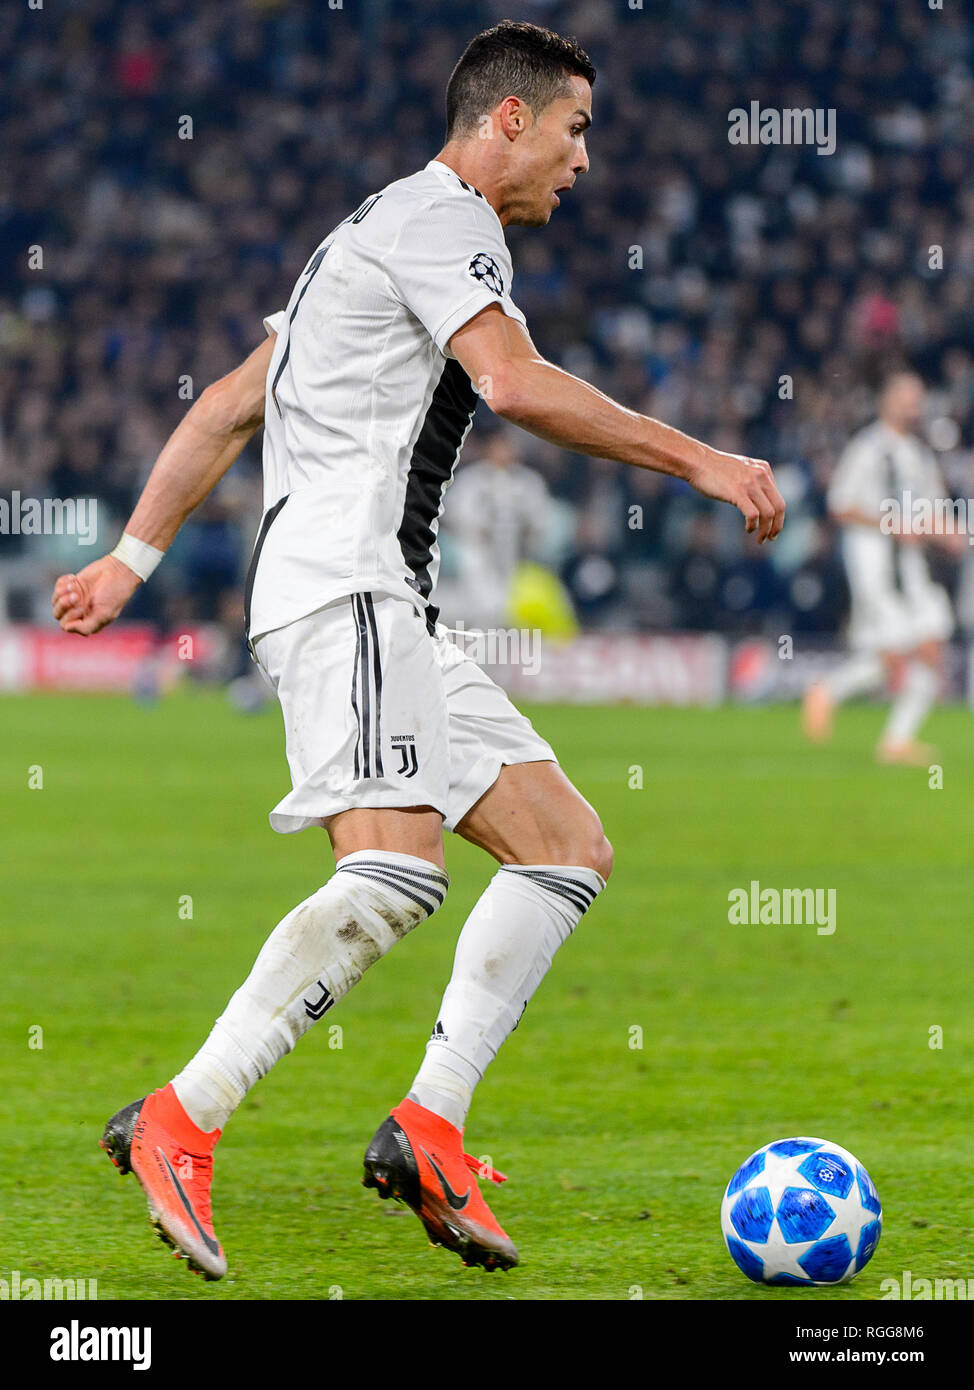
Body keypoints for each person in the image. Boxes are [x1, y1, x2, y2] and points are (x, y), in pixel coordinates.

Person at [52, 20, 783, 1279]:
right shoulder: (445, 221)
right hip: (349, 587)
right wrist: (702, 459)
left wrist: (134, 556)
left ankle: (428, 1124)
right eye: (573, 129)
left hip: (384, 601)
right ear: (506, 121)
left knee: (563, 849)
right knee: (394, 878)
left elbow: (229, 402)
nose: (582, 161)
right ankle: (186, 1114)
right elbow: (512, 383)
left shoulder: (362, 233)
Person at [802, 372, 959, 764]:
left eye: (918, 398)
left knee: (930, 642)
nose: (914, 406)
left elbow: (932, 513)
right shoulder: (868, 448)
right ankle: (832, 693)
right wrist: (891, 524)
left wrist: (955, 534)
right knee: (898, 653)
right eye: (907, 397)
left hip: (911, 567)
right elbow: (840, 504)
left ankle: (891, 738)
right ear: (886, 401)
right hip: (874, 565)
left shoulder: (919, 454)